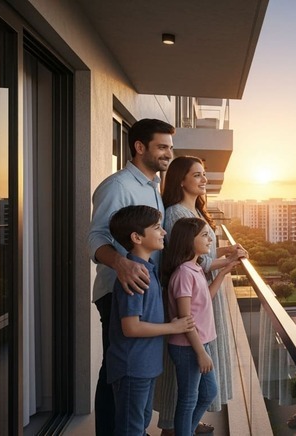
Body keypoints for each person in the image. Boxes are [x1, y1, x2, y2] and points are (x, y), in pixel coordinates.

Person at [87, 118, 175, 436]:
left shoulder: (152, 188)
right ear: (140, 147)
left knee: (128, 372)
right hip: (119, 290)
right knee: (117, 371)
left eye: (170, 147)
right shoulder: (118, 186)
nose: (169, 153)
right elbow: (95, 238)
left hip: (144, 290)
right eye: (162, 146)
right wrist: (120, 264)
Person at [155, 156, 246, 435]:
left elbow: (203, 255)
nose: (204, 180)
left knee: (198, 387)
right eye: (197, 175)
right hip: (192, 303)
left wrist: (227, 256)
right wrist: (222, 262)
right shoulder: (176, 215)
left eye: (204, 174)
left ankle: (183, 425)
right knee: (188, 387)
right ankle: (175, 426)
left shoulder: (193, 212)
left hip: (201, 294)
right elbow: (192, 259)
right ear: (181, 180)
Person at [106, 205, 195, 436]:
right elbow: (131, 327)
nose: (164, 232)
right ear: (137, 237)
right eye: (157, 227)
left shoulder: (148, 269)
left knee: (141, 423)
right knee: (131, 429)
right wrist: (173, 327)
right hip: (132, 367)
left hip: (146, 365)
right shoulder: (134, 276)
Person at [161, 218, 239, 436]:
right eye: (204, 235)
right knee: (188, 399)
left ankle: (184, 431)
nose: (210, 239)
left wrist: (223, 273)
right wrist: (201, 353)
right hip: (188, 347)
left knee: (208, 393)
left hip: (199, 343)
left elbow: (206, 298)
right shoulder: (184, 273)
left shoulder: (194, 268)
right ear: (188, 240)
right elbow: (186, 320)